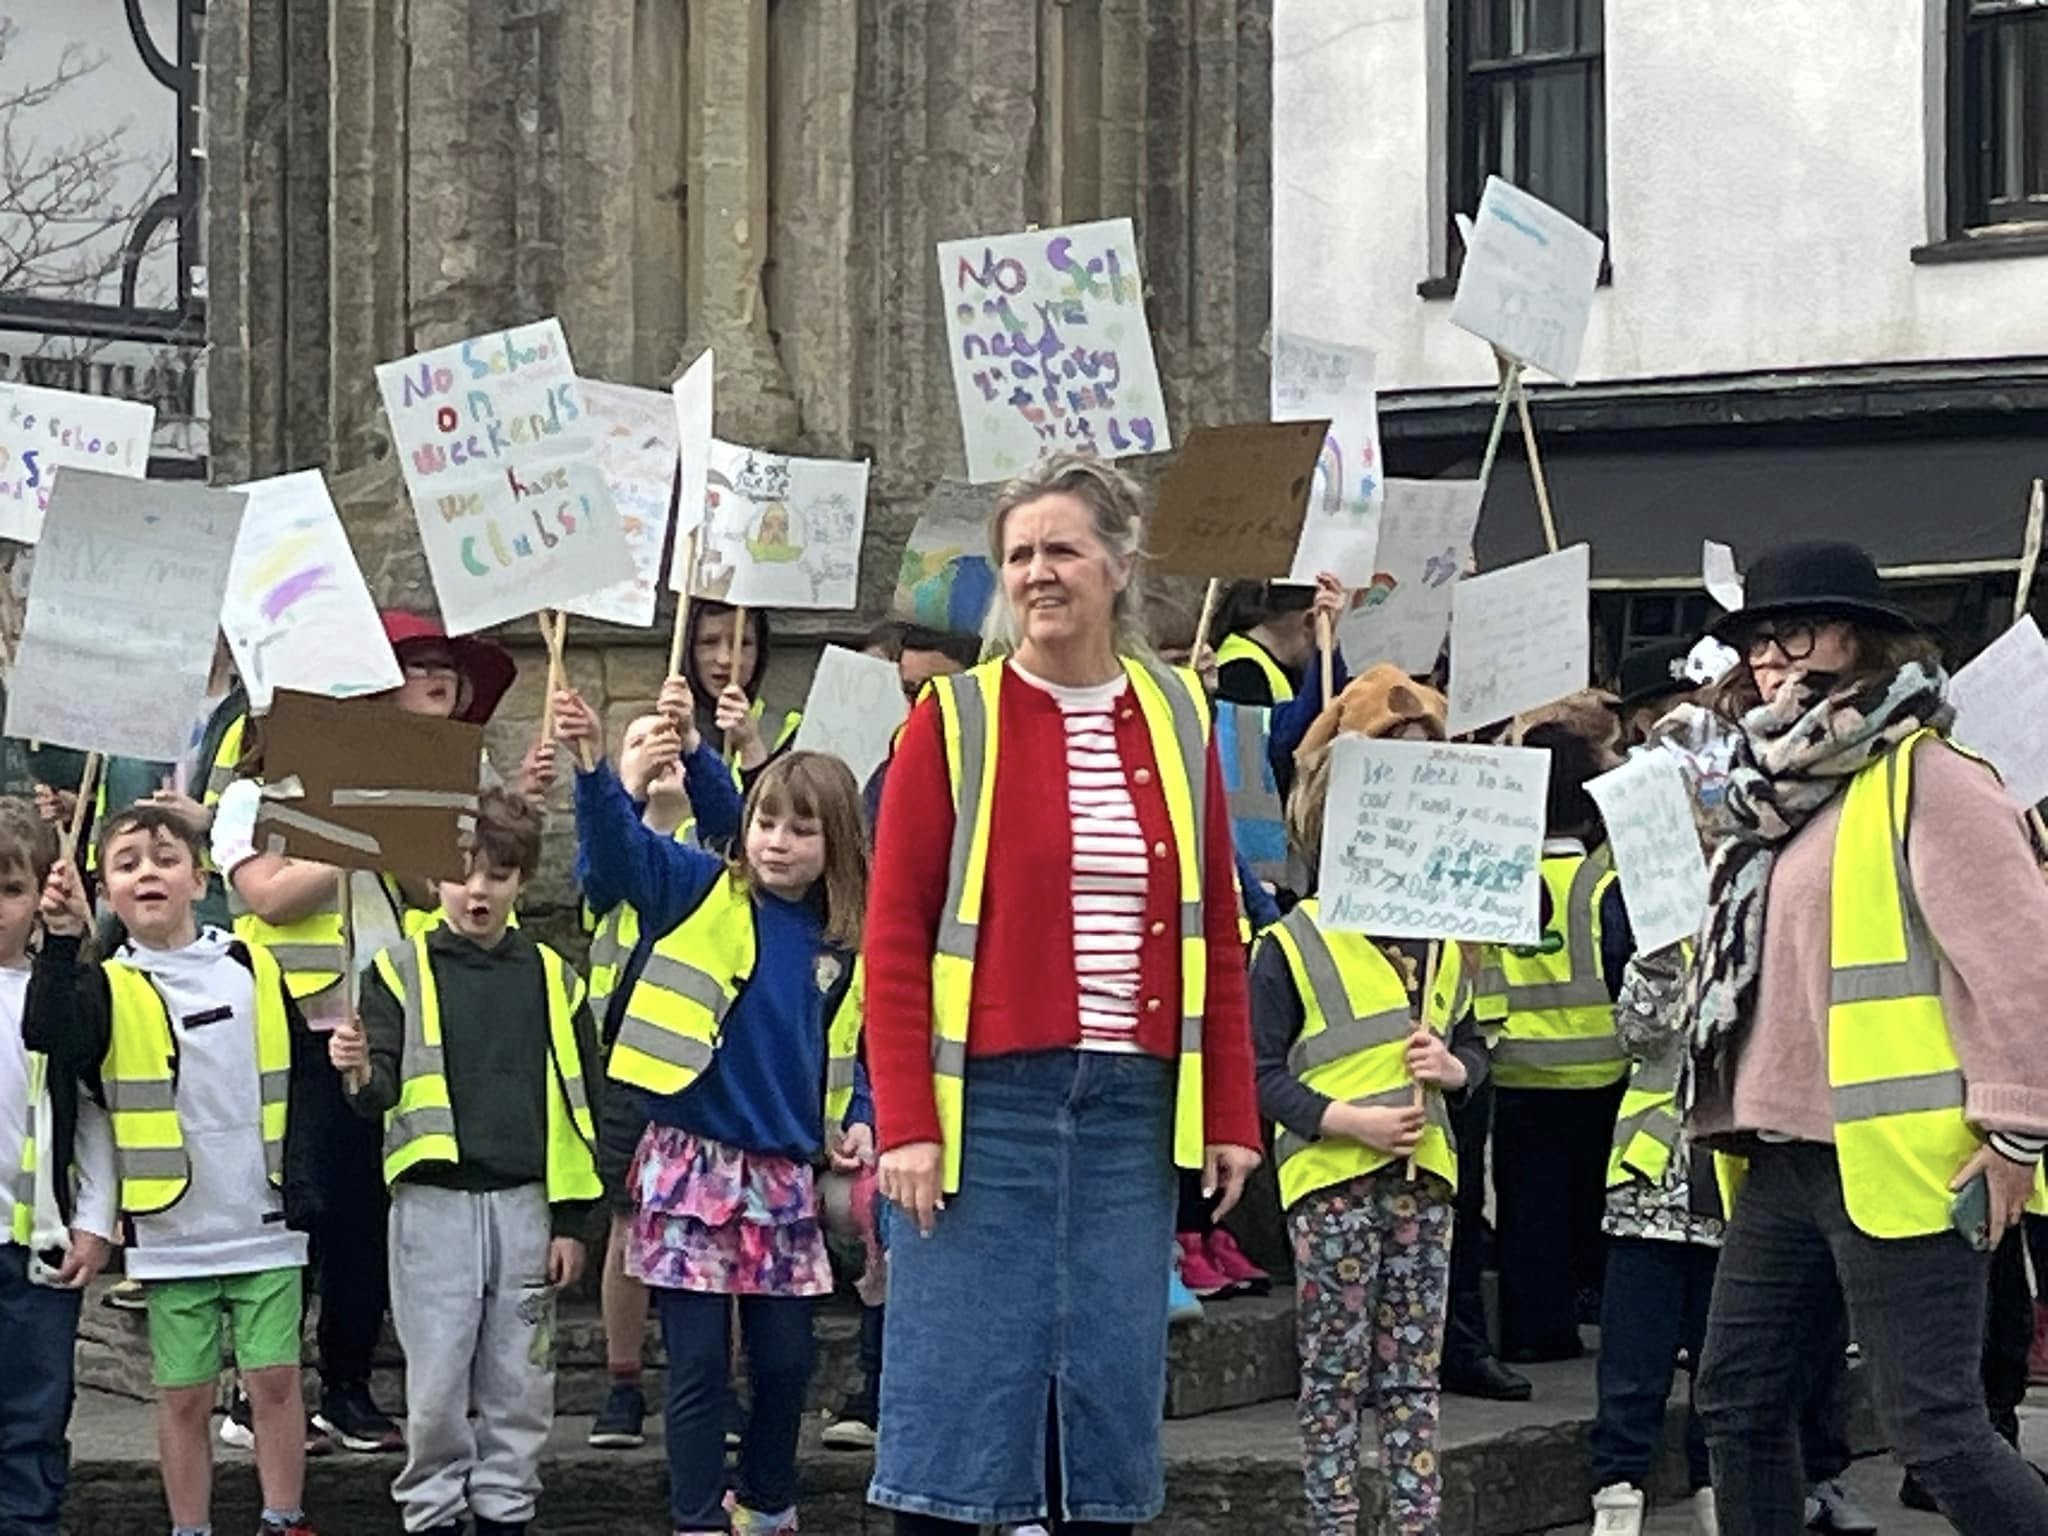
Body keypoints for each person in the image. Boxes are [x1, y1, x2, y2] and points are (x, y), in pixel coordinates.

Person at [863, 453, 1262, 1534]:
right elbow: (893, 938)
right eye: (1018, 555)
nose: (1038, 573)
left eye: (1061, 550)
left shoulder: (1180, 716)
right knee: (956, 1405)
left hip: (1130, 1109)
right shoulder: (950, 720)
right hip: (982, 1105)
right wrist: (903, 1123)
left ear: (1118, 567)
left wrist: (1227, 1112)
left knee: (1104, 1407)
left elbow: (1214, 935)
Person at [1688, 541, 2048, 1534]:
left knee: (1934, 1429)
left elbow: (2023, 963)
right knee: (1737, 1400)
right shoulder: (1771, 793)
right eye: (1754, 638)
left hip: (1902, 1155)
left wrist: (2016, 1132)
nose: (1768, 655)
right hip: (1780, 1152)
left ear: (1863, 641)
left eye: (1792, 631)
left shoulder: (1929, 777)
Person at [211, 612, 520, 1455]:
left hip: (370, 1029)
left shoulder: (382, 795)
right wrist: (350, 838)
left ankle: (345, 1386)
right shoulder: (246, 799)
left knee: (362, 1214)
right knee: (293, 1211)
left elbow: (432, 892)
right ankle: (255, 1389)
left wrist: (409, 826)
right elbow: (268, 895)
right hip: (285, 1039)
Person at [562, 704, 871, 1536]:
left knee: (785, 1361)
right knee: (698, 1364)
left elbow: (861, 1046)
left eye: (801, 831)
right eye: (765, 822)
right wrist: (597, 775)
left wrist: (862, 1117)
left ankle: (768, 1505)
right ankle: (697, 1519)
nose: (775, 841)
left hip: (782, 1173)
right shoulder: (702, 888)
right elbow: (621, 858)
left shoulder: (841, 943)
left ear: (835, 845)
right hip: (692, 1161)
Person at [29, 804, 329, 1536]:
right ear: (105, 891)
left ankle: (283, 1518)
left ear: (201, 878)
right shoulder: (103, 983)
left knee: (275, 1381)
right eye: (127, 864)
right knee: (186, 1394)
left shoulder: (251, 965)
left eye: (164, 858)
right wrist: (63, 943)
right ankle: (189, 1528)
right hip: (171, 1227)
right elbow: (52, 1037)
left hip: (263, 1216)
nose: (147, 873)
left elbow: (305, 1079)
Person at [331, 789, 603, 1536]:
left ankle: (507, 1513)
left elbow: (585, 1103)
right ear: (433, 876)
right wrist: (356, 1068)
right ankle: (434, 1513)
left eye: (498, 875)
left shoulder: (553, 976)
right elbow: (377, 1093)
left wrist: (574, 1220)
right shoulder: (395, 970)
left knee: (521, 1380)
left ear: (522, 881)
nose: (477, 890)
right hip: (432, 1204)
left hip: (524, 1205)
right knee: (438, 1383)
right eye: (462, 873)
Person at [1255, 668, 1486, 1536]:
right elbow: (1261, 1073)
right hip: (1333, 1187)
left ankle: (1414, 1523)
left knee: (1413, 1375)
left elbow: (1473, 1049)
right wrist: (1343, 1120)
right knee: (1335, 1373)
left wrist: (1456, 1070)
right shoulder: (1293, 941)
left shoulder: (1446, 942)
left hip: (1425, 1184)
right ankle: (1334, 1522)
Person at [582, 686, 745, 1453]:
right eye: (647, 743)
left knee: (727, 1230)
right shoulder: (618, 863)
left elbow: (739, 825)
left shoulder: (724, 863)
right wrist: (615, 779)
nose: (664, 755)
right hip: (633, 1072)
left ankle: (716, 1386)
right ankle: (622, 1382)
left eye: (671, 744)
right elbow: (605, 842)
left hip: (713, 1071)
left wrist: (700, 749)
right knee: (629, 1228)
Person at [1475, 714, 1634, 1363]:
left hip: (1511, 1072)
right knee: (1593, 1204)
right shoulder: (1605, 882)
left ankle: (1533, 1328)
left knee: (1526, 1210)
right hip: (1601, 1073)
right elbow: (1627, 967)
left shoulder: (1488, 873)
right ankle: (1588, 1302)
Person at [0, 798, 116, 1534]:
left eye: (10, 890)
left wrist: (94, 1221)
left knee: (33, 1423)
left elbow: (93, 1111)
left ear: (42, 893)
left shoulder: (62, 990)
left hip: (39, 1248)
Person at [679, 599, 802, 784]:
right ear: (688, 649)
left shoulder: (789, 731)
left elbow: (781, 810)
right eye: (708, 642)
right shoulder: (662, 730)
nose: (725, 659)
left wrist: (751, 746)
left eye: (742, 643)